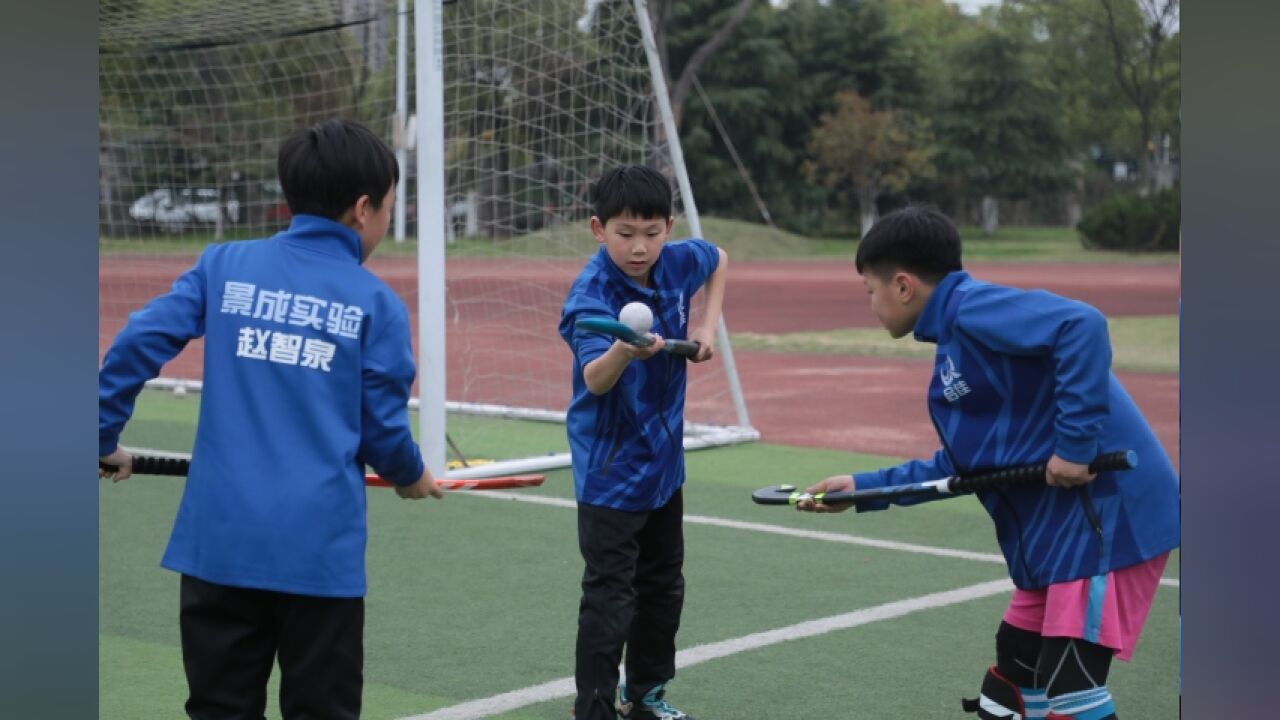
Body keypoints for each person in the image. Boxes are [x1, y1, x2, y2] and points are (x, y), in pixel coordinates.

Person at [98, 119, 442, 719]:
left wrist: (99, 437)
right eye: (389, 207)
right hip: (317, 554)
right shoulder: (374, 303)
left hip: (218, 544)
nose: (387, 220)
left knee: (220, 709)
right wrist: (409, 473)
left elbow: (135, 342)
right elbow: (381, 428)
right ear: (363, 209)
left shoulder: (223, 264)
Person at [797, 206, 1179, 720]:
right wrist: (865, 488)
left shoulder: (973, 308)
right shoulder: (957, 340)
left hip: (1107, 519)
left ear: (904, 286)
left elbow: (1082, 325)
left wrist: (1074, 446)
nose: (871, 303)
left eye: (870, 290)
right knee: (1011, 687)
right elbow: (968, 467)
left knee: (1071, 694)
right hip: (1064, 535)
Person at [558, 165, 728, 720]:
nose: (639, 247)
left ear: (668, 226)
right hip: (609, 471)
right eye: (625, 233)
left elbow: (719, 259)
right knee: (609, 598)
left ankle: (647, 694)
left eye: (651, 233)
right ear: (597, 228)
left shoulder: (678, 261)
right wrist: (624, 352)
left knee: (662, 588)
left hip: (663, 464)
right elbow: (594, 380)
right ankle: (595, 710)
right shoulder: (591, 295)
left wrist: (706, 329)